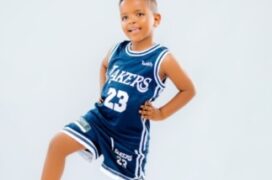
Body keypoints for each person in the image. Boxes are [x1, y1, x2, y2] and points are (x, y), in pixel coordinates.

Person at [41, 0, 196, 179]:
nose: (131, 21)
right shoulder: (117, 50)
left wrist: (161, 113)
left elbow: (188, 90)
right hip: (100, 119)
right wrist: (103, 92)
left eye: (139, 14)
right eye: (125, 17)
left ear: (156, 19)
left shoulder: (163, 58)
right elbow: (103, 65)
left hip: (128, 133)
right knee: (58, 144)